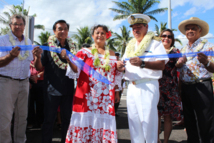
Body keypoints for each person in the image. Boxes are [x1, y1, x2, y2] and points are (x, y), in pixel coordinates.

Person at [63, 25, 122, 142]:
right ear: (92, 36)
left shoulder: (111, 54)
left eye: (102, 33)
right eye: (97, 33)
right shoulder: (83, 52)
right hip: (87, 95)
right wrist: (69, 60)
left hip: (105, 97)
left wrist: (116, 92)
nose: (100, 35)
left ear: (107, 36)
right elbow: (75, 70)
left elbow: (115, 75)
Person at [117, 14, 169, 143]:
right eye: (133, 28)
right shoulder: (130, 45)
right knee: (134, 122)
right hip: (132, 86)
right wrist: (120, 66)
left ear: (146, 27)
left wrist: (143, 63)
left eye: (139, 27)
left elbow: (162, 64)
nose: (136, 30)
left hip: (148, 85)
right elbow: (124, 64)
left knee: (148, 121)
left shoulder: (155, 44)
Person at [33, 20, 76, 143]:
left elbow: (76, 68)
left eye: (65, 29)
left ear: (68, 31)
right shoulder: (47, 46)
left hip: (67, 89)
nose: (63, 31)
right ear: (54, 31)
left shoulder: (72, 47)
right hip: (51, 90)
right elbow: (39, 67)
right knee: (49, 120)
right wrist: (36, 57)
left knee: (67, 120)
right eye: (60, 29)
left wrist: (68, 59)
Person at [177, 17, 214, 142]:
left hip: (202, 85)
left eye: (193, 28)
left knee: (205, 121)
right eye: (187, 29)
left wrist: (207, 63)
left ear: (200, 31)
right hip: (186, 87)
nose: (190, 31)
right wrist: (179, 64)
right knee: (189, 121)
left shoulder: (209, 46)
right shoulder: (183, 49)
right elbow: (180, 71)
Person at [0, 14, 34, 143]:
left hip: (24, 83)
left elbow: (29, 62)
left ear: (24, 26)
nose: (18, 27)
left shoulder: (28, 42)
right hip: (6, 81)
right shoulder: (2, 40)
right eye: (15, 24)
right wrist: (10, 56)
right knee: (5, 117)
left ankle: (20, 141)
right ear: (10, 25)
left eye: (20, 24)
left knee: (22, 117)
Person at [157, 29, 182, 143]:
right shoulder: (155, 50)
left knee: (168, 117)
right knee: (156, 116)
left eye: (169, 36)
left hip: (171, 89)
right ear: (160, 37)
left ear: (172, 39)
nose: (166, 38)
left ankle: (166, 141)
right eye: (164, 36)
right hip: (156, 87)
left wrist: (181, 61)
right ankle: (156, 139)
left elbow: (179, 65)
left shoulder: (176, 52)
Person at [27, 55, 44, 129]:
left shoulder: (42, 58)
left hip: (41, 82)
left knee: (40, 102)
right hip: (29, 81)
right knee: (30, 103)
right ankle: (31, 122)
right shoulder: (27, 58)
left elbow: (46, 69)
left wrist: (37, 76)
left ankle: (41, 122)